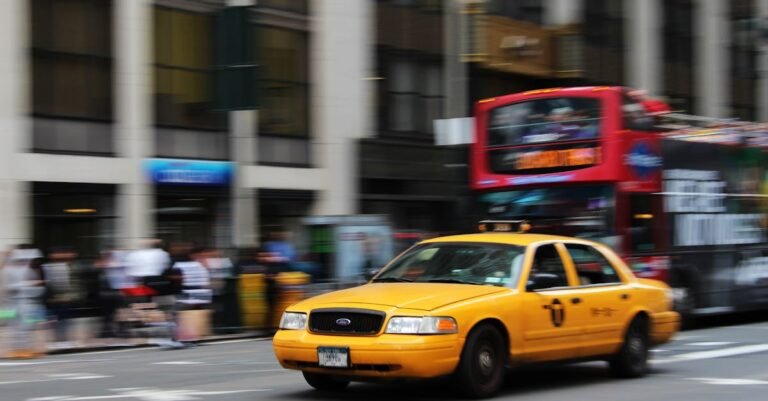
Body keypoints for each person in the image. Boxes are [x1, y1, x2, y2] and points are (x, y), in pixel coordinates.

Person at [2, 246, 46, 358]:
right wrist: (30, 284)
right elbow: (8, 287)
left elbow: (34, 285)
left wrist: (35, 287)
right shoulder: (8, 270)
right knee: (18, 327)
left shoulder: (26, 269)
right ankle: (17, 349)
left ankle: (27, 348)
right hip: (13, 304)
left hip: (28, 302)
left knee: (28, 326)